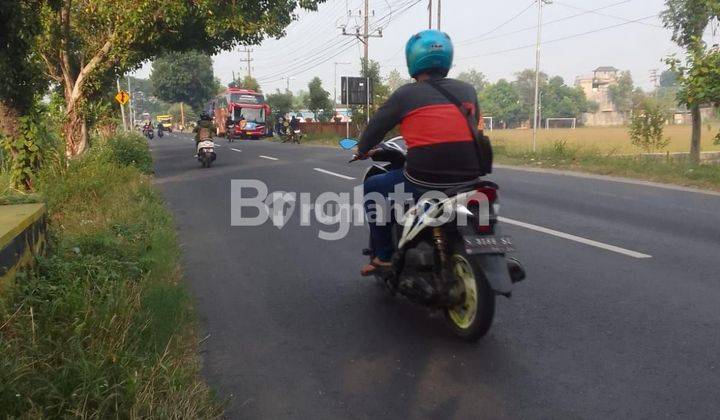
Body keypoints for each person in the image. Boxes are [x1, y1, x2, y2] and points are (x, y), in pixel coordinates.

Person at [356, 30, 491, 276]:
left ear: (413, 60)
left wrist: (362, 149)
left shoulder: (405, 94)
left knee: (373, 187)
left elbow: (376, 128)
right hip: (471, 179)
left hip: (425, 179)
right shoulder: (468, 90)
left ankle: (383, 255)